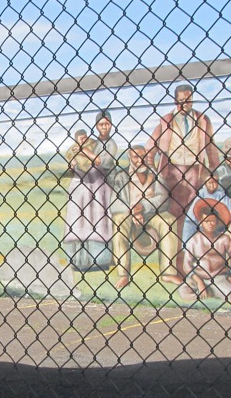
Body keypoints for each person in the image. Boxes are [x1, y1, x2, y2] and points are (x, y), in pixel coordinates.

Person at [146, 84, 220, 226]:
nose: (185, 104)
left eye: (188, 100)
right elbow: (149, 148)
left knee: (193, 208)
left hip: (195, 170)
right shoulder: (166, 120)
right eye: (181, 100)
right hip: (172, 171)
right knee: (173, 208)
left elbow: (211, 148)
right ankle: (176, 238)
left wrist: (213, 170)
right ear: (175, 101)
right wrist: (153, 171)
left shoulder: (203, 120)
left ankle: (191, 238)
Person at [109, 145, 179, 288]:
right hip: (129, 213)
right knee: (118, 220)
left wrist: (144, 206)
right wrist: (133, 211)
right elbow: (114, 203)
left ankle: (168, 272)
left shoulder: (155, 175)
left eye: (143, 156)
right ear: (129, 158)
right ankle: (123, 275)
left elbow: (164, 199)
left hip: (152, 213)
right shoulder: (122, 176)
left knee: (169, 221)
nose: (140, 160)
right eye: (136, 156)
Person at [62, 110, 120, 272]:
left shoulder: (110, 144)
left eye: (107, 124)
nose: (104, 127)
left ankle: (100, 259)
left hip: (101, 184)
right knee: (79, 218)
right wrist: (74, 162)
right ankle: (79, 259)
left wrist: (84, 151)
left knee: (98, 220)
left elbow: (102, 162)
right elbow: (75, 157)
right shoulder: (92, 143)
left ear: (111, 125)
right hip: (84, 182)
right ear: (96, 126)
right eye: (101, 124)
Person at [179, 198, 231, 303]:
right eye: (206, 221)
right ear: (201, 222)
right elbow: (187, 265)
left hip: (219, 278)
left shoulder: (224, 239)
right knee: (183, 291)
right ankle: (208, 292)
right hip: (198, 277)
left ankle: (210, 292)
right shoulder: (194, 240)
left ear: (217, 222)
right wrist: (199, 282)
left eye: (212, 221)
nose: (210, 224)